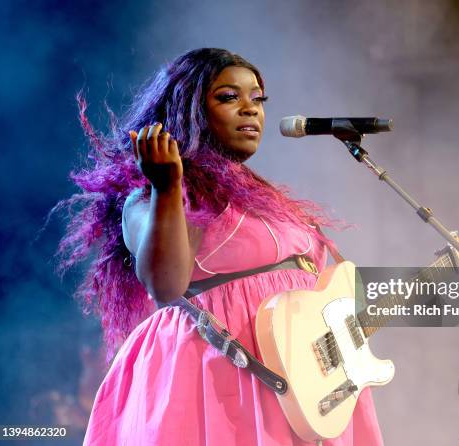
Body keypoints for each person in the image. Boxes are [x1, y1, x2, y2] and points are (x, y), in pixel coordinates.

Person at [57, 48, 383, 445]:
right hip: (216, 377)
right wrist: (168, 186)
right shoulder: (156, 198)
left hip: (306, 391)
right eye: (229, 97)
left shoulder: (272, 206)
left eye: (258, 99)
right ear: (189, 110)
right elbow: (166, 285)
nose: (251, 110)